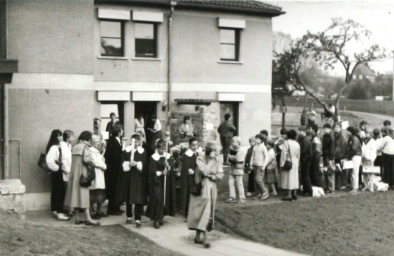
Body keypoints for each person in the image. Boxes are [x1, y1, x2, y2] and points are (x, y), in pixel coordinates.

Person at [188, 141, 224, 248]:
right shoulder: (200, 158)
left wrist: (216, 177)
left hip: (213, 187)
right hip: (203, 187)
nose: (215, 153)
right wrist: (212, 162)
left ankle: (198, 236)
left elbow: (221, 173)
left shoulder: (216, 159)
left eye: (216, 151)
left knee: (209, 212)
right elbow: (205, 171)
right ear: (209, 150)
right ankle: (205, 238)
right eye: (214, 151)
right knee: (204, 211)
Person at [64, 131, 100, 226]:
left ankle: (77, 218)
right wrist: (92, 163)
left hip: (74, 175)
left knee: (75, 195)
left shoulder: (75, 147)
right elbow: (86, 159)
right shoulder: (85, 147)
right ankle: (88, 218)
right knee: (84, 196)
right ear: (88, 139)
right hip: (82, 175)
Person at [118, 133, 148, 227]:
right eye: (135, 142)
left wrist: (138, 164)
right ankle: (129, 216)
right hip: (129, 177)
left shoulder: (142, 152)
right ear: (132, 141)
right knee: (129, 197)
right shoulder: (126, 151)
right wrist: (127, 164)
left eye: (138, 142)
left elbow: (145, 164)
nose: (136, 144)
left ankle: (138, 218)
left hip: (138, 177)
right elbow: (122, 162)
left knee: (138, 197)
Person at [146, 139, 171, 228]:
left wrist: (168, 166)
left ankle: (161, 217)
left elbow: (170, 168)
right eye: (161, 149)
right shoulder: (153, 157)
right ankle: (156, 218)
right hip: (156, 182)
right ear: (157, 148)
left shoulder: (167, 157)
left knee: (164, 199)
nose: (162, 151)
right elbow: (152, 171)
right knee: (158, 199)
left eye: (164, 149)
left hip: (165, 181)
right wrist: (161, 173)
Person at [45, 129, 70, 221]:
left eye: (61, 135)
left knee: (57, 191)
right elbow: (49, 161)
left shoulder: (57, 146)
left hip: (58, 172)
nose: (60, 137)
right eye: (58, 136)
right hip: (57, 172)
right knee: (60, 191)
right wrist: (57, 168)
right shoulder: (54, 147)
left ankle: (56, 210)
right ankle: (59, 212)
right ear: (54, 137)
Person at [104, 123, 124, 215]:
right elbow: (114, 156)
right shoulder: (113, 141)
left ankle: (116, 207)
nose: (122, 131)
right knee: (113, 188)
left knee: (116, 188)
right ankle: (111, 209)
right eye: (121, 130)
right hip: (113, 169)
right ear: (119, 132)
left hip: (115, 169)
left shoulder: (116, 140)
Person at [179, 137, 199, 218]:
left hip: (195, 176)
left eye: (196, 145)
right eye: (193, 145)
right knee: (188, 194)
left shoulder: (197, 154)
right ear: (190, 145)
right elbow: (186, 168)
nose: (195, 147)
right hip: (189, 178)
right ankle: (187, 212)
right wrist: (190, 171)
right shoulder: (187, 155)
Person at [89, 135, 107, 219]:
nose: (98, 143)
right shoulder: (91, 151)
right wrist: (104, 166)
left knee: (100, 193)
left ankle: (99, 211)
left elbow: (102, 160)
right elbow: (95, 162)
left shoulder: (98, 151)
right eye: (96, 142)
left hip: (100, 174)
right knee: (93, 193)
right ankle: (92, 212)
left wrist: (103, 163)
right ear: (92, 142)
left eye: (99, 141)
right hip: (95, 174)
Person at [225, 136, 247, 203]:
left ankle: (242, 198)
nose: (232, 143)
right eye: (232, 142)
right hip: (232, 168)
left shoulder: (242, 150)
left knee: (239, 183)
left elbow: (238, 159)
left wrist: (229, 156)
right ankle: (232, 197)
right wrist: (229, 159)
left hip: (238, 168)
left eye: (234, 142)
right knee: (230, 182)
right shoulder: (232, 149)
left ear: (238, 142)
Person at [251, 134, 269, 200]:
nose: (256, 140)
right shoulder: (255, 147)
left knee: (258, 179)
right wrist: (251, 164)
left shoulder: (263, 147)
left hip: (260, 166)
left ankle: (265, 192)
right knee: (255, 180)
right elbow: (252, 156)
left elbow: (267, 157)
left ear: (261, 140)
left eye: (257, 139)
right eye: (255, 138)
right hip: (255, 165)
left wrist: (264, 166)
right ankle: (258, 193)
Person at [345, 126, 362, 194]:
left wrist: (348, 156)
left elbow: (354, 149)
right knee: (352, 172)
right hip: (354, 156)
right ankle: (353, 186)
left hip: (356, 156)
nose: (347, 132)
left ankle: (355, 187)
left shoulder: (354, 139)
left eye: (348, 131)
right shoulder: (352, 138)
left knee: (355, 172)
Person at [333, 122, 348, 190]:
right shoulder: (334, 135)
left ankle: (343, 184)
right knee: (336, 170)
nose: (336, 129)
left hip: (341, 155)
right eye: (335, 127)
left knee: (342, 171)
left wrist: (342, 155)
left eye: (337, 127)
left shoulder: (342, 136)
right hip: (335, 155)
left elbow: (344, 146)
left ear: (340, 128)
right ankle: (336, 184)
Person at [322, 123, 335, 193]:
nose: (324, 130)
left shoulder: (330, 137)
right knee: (326, 171)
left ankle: (331, 187)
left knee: (330, 172)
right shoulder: (324, 136)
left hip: (329, 157)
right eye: (324, 129)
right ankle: (327, 186)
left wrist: (331, 158)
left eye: (326, 129)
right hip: (325, 156)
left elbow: (332, 148)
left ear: (330, 129)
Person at [300, 130, 313, 196]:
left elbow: (303, 150)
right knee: (306, 174)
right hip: (308, 158)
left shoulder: (305, 140)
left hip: (305, 159)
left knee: (305, 175)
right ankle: (307, 190)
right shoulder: (308, 139)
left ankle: (308, 190)